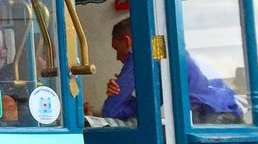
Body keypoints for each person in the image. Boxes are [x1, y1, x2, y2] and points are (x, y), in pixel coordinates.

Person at [102, 17, 242, 124]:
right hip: (229, 110)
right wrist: (128, 97)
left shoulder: (139, 53)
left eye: (116, 49)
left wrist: (122, 94)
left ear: (127, 41)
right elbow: (150, 104)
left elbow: (110, 111)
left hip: (210, 117)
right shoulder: (164, 51)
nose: (117, 57)